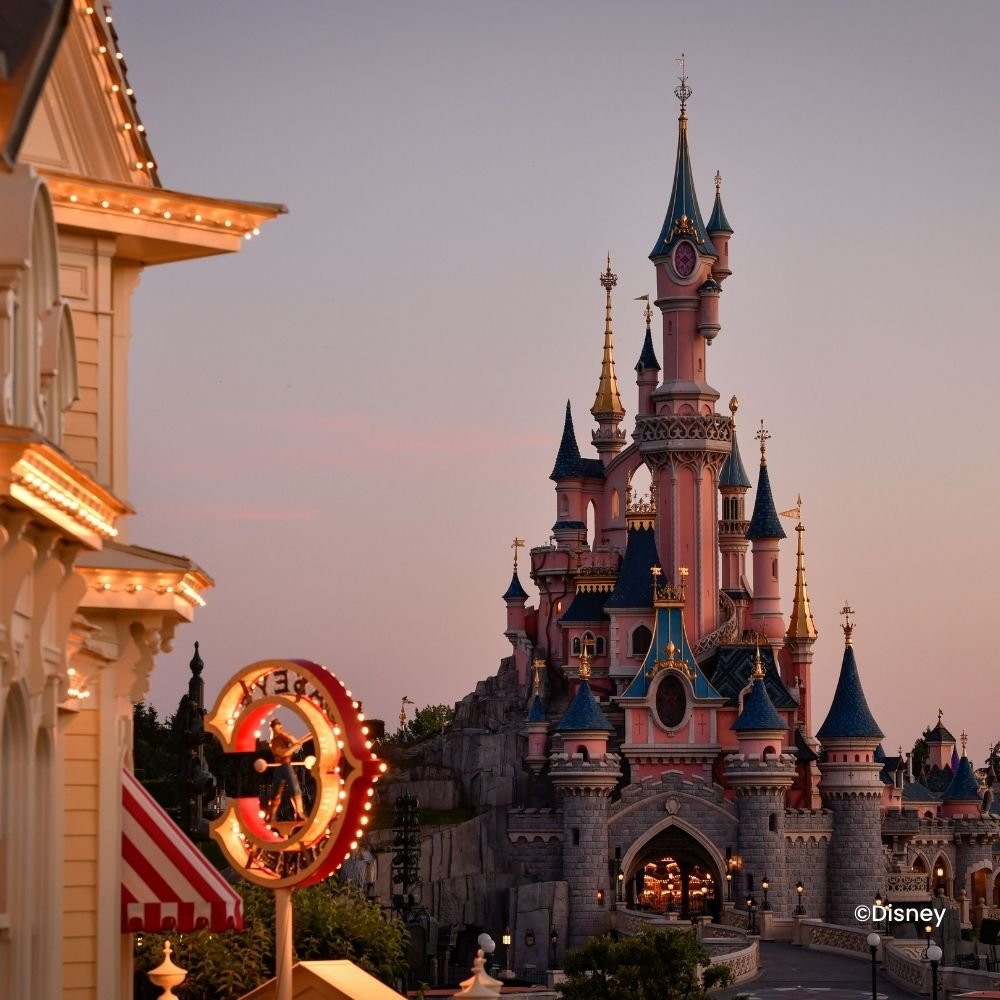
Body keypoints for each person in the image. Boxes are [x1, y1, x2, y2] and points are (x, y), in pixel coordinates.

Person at [267, 719, 307, 822]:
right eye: (275, 727)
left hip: (286, 765)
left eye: (279, 727)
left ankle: (299, 813)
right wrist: (293, 748)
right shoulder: (273, 742)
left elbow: (294, 741)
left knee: (295, 789)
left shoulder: (283, 736)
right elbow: (282, 753)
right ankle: (272, 815)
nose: (278, 729)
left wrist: (292, 742)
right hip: (281, 767)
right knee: (276, 792)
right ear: (272, 729)